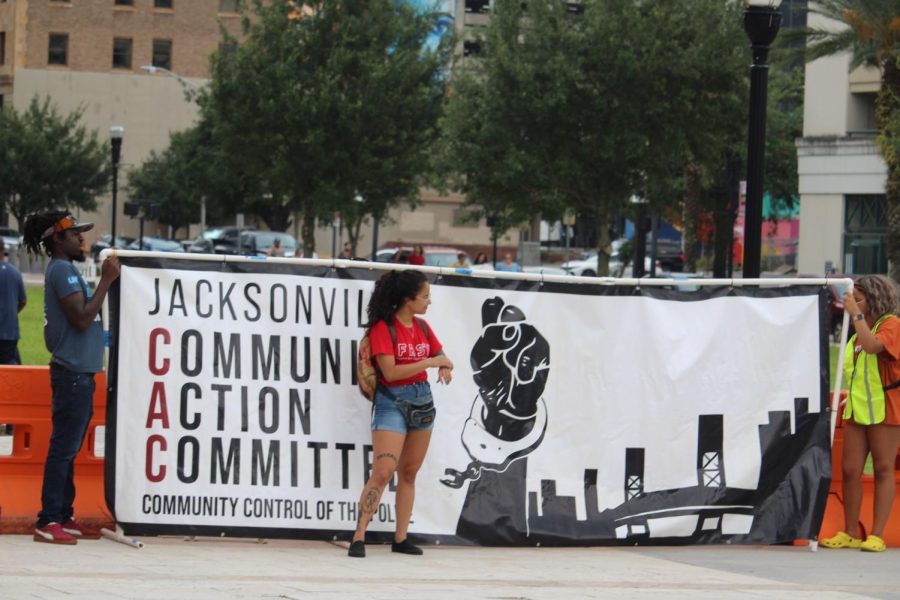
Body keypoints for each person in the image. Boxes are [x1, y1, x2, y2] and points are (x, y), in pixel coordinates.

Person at [22, 211, 120, 545]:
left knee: (69, 447)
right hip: (73, 374)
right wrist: (106, 281)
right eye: (75, 233)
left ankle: (64, 514)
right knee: (63, 449)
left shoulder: (66, 269)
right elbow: (80, 318)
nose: (82, 238)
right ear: (57, 239)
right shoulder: (63, 270)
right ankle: (48, 519)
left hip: (78, 374)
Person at [348, 270, 453, 558]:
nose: (429, 301)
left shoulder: (423, 327)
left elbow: (444, 356)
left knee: (409, 472)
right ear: (408, 299)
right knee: (383, 472)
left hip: (422, 401)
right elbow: (391, 372)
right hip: (391, 402)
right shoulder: (384, 328)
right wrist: (432, 361)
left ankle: (401, 537)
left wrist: (443, 364)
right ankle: (358, 536)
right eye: (425, 296)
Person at [821, 275, 900, 553]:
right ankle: (850, 531)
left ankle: (877, 534)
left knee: (882, 469)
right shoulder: (857, 329)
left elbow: (872, 346)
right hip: (857, 410)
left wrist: (855, 314)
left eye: (860, 298)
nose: (853, 302)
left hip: (885, 410)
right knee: (850, 469)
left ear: (876, 299)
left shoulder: (891, 325)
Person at [0, 237, 27, 365]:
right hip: (9, 332)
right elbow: (23, 301)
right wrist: (11, 312)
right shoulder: (15, 273)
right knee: (11, 369)